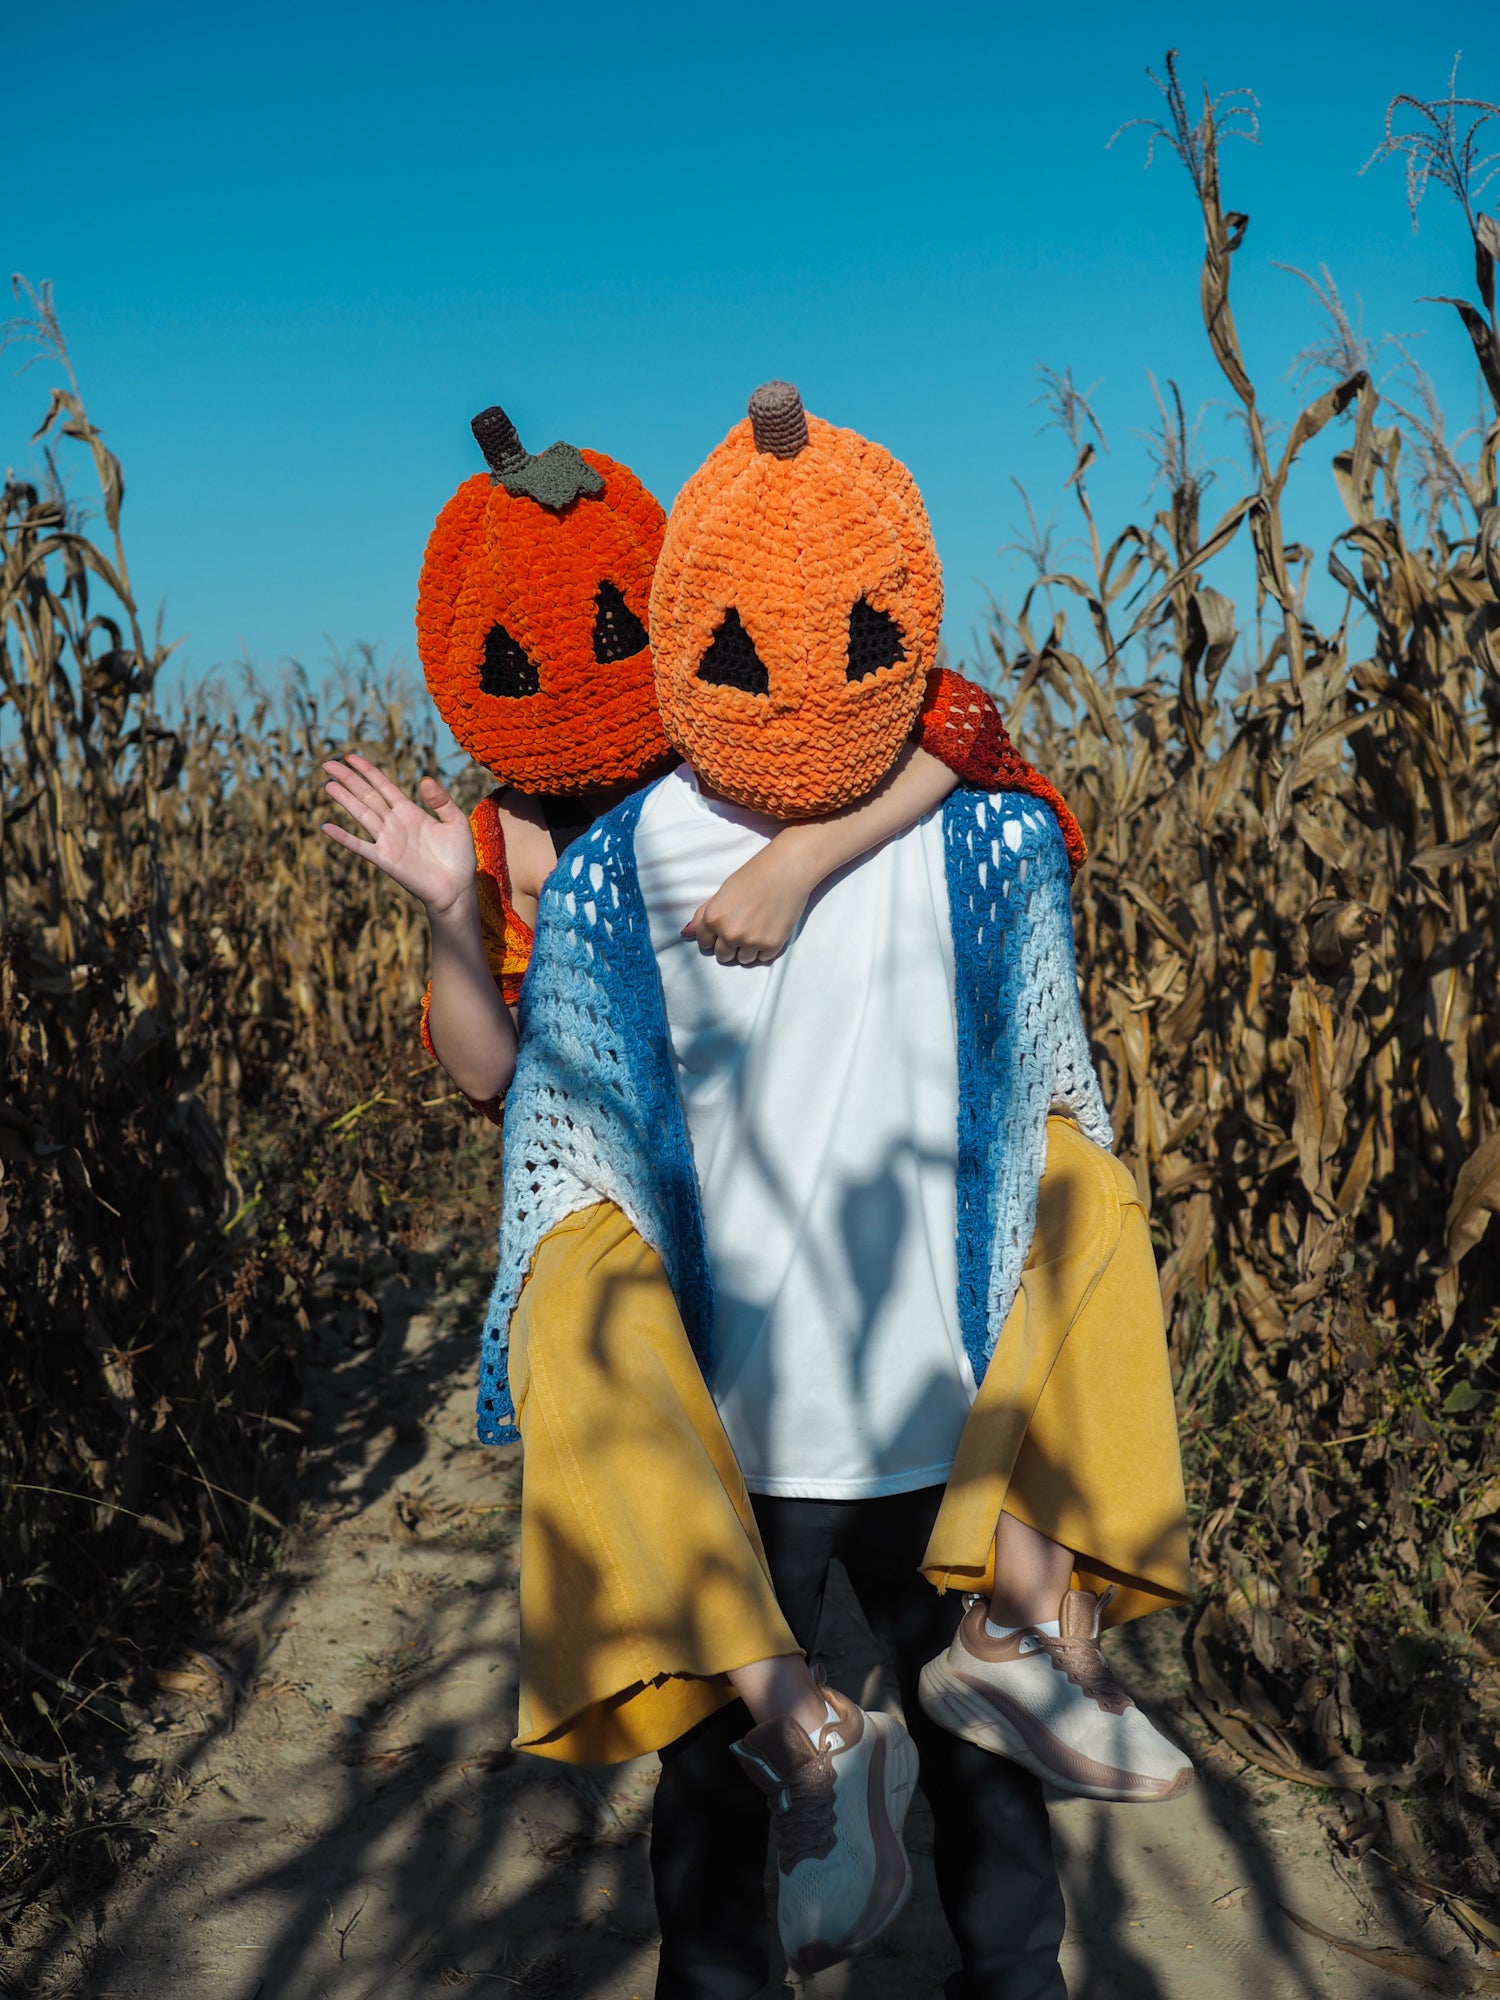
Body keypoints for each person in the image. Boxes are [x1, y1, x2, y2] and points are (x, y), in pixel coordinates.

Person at [323, 388, 1191, 1999]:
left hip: (928, 1403)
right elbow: (507, 1088)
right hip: (748, 1427)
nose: (793, 671)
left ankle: (959, 1702)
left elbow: (954, 728)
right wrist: (458, 908)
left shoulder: (961, 818)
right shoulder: (590, 867)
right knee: (719, 1832)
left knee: (982, 1819)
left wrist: (799, 859)